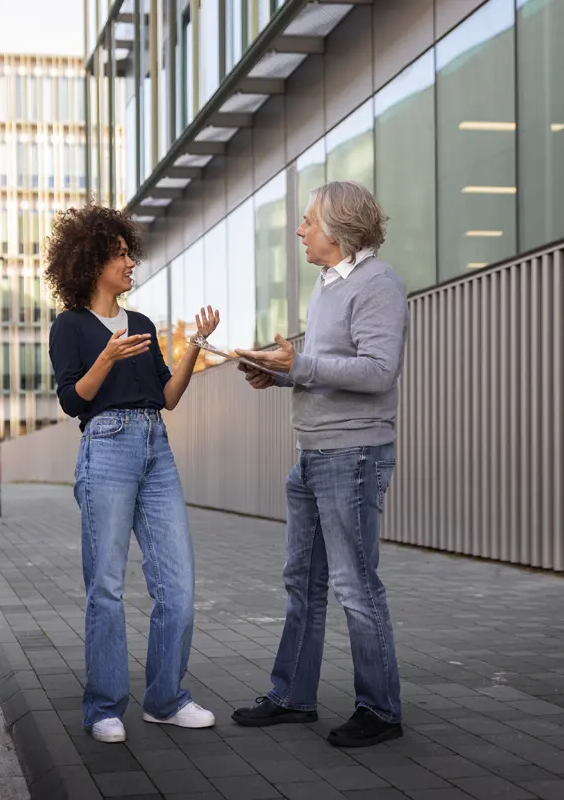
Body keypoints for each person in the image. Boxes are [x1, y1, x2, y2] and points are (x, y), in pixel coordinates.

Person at [230, 181, 408, 748]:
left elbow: (378, 371)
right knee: (302, 583)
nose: (300, 230)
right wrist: (276, 372)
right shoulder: (327, 285)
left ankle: (380, 710)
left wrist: (300, 364)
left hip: (352, 455)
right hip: (312, 454)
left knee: (356, 587)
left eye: (308, 221)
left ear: (337, 229)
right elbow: (324, 366)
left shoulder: (378, 284)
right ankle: (292, 696)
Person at [45, 203, 220, 743]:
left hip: (155, 448)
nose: (128, 263)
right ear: (90, 262)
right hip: (107, 447)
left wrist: (193, 346)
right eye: (118, 255)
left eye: (128, 253)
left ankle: (166, 698)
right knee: (106, 586)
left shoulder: (141, 324)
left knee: (179, 585)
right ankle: (103, 707)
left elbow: (167, 397)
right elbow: (74, 401)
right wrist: (107, 357)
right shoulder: (70, 327)